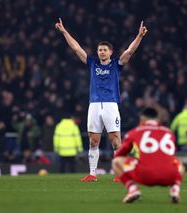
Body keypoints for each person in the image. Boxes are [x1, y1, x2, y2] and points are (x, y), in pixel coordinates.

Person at [55, 18, 148, 181]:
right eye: (99, 50)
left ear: (110, 52)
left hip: (111, 105)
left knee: (115, 141)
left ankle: (120, 173)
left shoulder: (116, 64)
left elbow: (129, 51)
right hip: (94, 105)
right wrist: (64, 32)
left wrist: (139, 36)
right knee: (93, 140)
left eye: (104, 50)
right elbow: (76, 48)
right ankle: (92, 174)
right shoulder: (92, 63)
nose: (102, 52)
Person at [112, 107, 185, 204]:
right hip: (169, 176)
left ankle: (133, 190)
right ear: (157, 119)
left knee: (116, 162)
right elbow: (170, 155)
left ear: (142, 119)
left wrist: (135, 159)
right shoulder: (168, 132)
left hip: (145, 175)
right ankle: (175, 190)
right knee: (178, 162)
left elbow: (119, 154)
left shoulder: (134, 132)